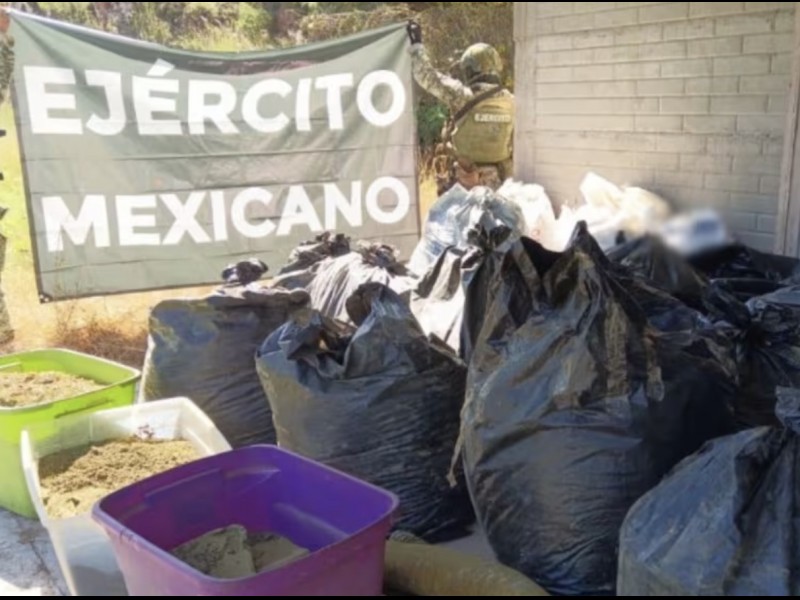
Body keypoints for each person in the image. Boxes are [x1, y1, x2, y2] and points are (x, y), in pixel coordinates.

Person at [406, 20, 514, 195]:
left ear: (470, 70)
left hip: (465, 180)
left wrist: (417, 46)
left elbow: (426, 76)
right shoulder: (512, 102)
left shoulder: (461, 95)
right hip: (502, 183)